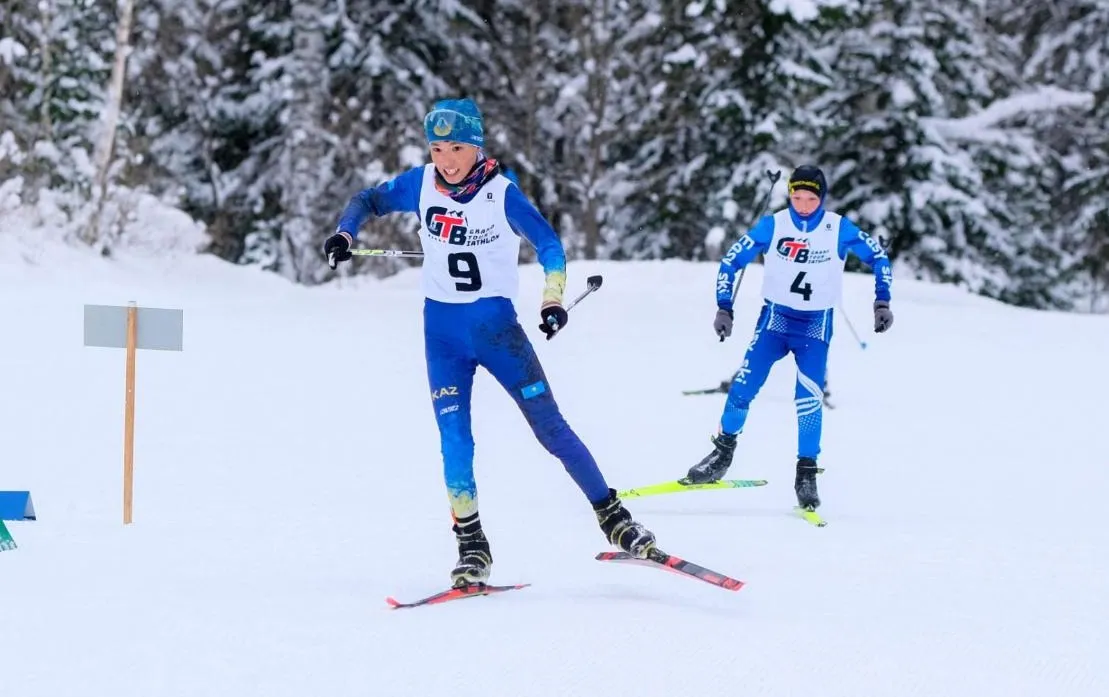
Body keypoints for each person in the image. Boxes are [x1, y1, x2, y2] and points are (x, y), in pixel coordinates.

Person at [322, 98, 657, 587]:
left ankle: (613, 516)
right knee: (455, 441)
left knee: (550, 429)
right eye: (437, 148)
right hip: (442, 337)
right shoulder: (421, 184)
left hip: (499, 333)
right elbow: (366, 200)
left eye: (457, 147)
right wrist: (345, 233)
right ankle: (472, 545)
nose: (447, 159)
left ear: (477, 146)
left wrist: (552, 299)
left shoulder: (502, 194)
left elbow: (550, 246)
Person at [680, 165, 894, 510]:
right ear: (789, 195)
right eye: (797, 197)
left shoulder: (837, 227)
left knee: (808, 399)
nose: (804, 205)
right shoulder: (774, 224)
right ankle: (721, 454)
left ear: (822, 197)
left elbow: (879, 258)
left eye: (812, 198)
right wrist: (724, 307)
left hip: (814, 326)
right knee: (742, 389)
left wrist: (882, 301)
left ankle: (806, 472)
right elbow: (732, 260)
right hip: (775, 320)